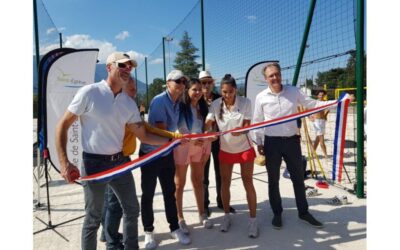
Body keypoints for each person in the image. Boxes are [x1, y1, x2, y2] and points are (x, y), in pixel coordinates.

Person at [55, 52, 170, 250]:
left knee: (132, 209)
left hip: (120, 162)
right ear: (109, 67)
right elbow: (62, 126)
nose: (127, 70)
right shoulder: (89, 92)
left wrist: (172, 142)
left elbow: (143, 136)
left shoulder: (128, 103)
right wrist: (64, 162)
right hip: (94, 164)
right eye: (122, 65)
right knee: (93, 218)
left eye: (130, 67)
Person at [99, 77, 182, 246]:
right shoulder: (118, 107)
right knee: (115, 203)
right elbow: (145, 133)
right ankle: (112, 240)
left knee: (116, 202)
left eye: (135, 87)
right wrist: (170, 140)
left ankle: (108, 235)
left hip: (124, 157)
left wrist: (174, 137)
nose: (135, 91)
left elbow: (145, 127)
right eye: (131, 88)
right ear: (121, 89)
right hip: (113, 159)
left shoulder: (129, 106)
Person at [253, 62, 335, 230]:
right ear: (266, 78)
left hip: (292, 141)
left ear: (281, 74)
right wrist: (259, 143)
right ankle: (277, 213)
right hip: (272, 143)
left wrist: (337, 102)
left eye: (277, 74)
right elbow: (257, 122)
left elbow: (312, 104)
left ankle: (303, 213)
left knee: (298, 179)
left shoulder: (293, 91)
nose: (275, 77)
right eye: (271, 75)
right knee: (273, 180)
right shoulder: (261, 97)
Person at [139, 70, 191, 249]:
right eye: (178, 81)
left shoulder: (177, 102)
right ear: (168, 83)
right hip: (151, 155)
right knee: (148, 195)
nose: (182, 84)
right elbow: (160, 130)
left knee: (170, 193)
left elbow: (173, 130)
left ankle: (174, 227)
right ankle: (148, 232)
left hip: (166, 154)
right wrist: (178, 138)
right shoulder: (160, 100)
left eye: (184, 81)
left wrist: (182, 136)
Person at [205, 74, 258, 238]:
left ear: (235, 90)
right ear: (221, 91)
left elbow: (247, 126)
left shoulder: (246, 102)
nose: (227, 95)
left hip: (244, 149)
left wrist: (241, 131)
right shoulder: (215, 104)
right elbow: (209, 123)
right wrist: (209, 133)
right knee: (224, 182)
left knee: (247, 181)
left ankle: (253, 220)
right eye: (224, 92)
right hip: (225, 149)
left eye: (230, 91)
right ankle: (226, 216)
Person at [173, 78, 213, 235]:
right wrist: (196, 137)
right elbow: (181, 129)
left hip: (198, 148)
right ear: (187, 91)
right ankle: (180, 218)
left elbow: (206, 129)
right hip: (183, 148)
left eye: (199, 89)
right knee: (179, 184)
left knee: (198, 181)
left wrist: (207, 138)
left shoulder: (203, 108)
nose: (197, 92)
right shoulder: (181, 107)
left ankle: (202, 214)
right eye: (193, 89)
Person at [199, 70, 236, 216]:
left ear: (213, 83)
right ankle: (205, 204)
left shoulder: (219, 98)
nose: (206, 85)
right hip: (203, 141)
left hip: (220, 141)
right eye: (203, 83)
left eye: (209, 82)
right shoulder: (195, 99)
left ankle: (222, 201)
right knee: (204, 174)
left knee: (221, 173)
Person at [310, 90, 329, 159]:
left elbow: (328, 109)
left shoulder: (325, 102)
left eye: (322, 95)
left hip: (322, 121)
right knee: (321, 139)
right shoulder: (315, 102)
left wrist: (326, 115)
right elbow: (306, 109)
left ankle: (312, 153)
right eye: (320, 95)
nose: (321, 96)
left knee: (318, 138)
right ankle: (326, 155)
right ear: (317, 95)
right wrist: (310, 117)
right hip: (316, 121)